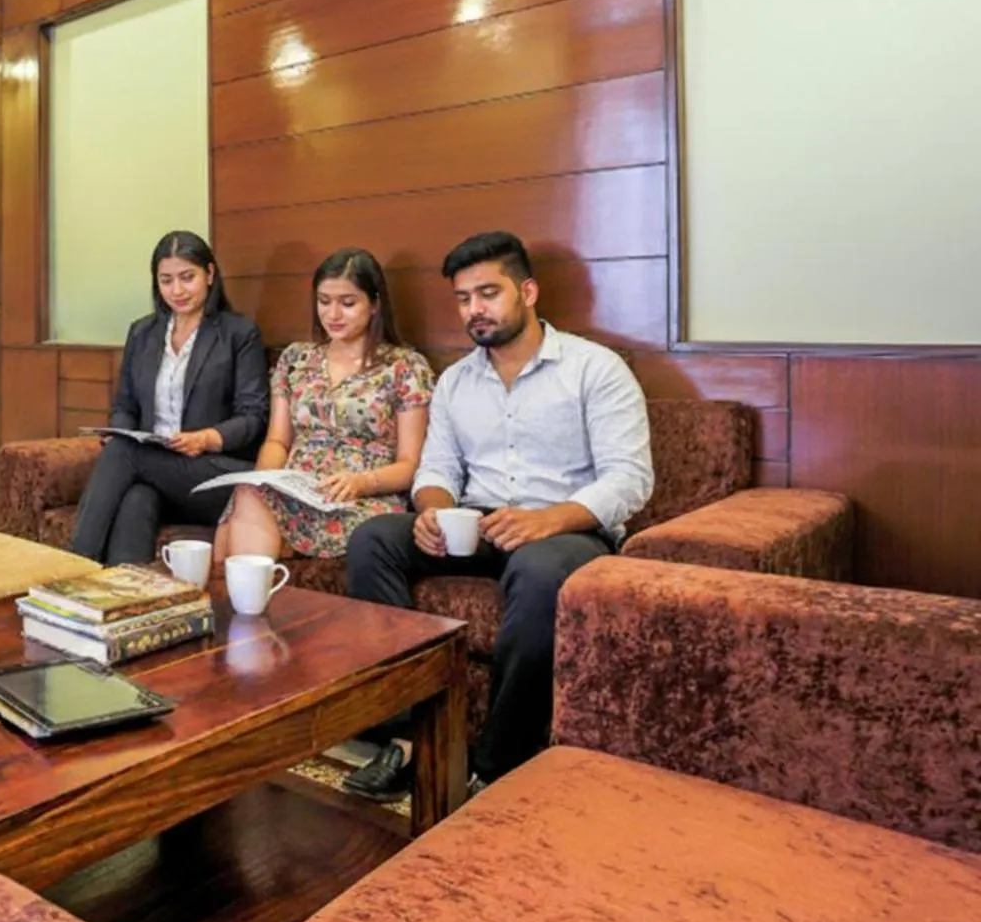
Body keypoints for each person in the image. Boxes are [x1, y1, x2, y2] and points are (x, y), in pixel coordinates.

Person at [342, 231, 652, 801]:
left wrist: (550, 519)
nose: (475, 310)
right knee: (372, 539)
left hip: (568, 530)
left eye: (488, 293)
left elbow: (630, 480)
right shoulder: (458, 381)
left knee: (538, 572)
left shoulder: (594, 370)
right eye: (463, 298)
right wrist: (432, 511)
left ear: (527, 291)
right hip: (478, 524)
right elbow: (435, 468)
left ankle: (497, 762)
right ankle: (407, 734)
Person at [213, 249, 433, 564]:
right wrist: (267, 479)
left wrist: (362, 482)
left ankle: (261, 598)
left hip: (360, 497)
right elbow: (278, 440)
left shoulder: (404, 367)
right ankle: (252, 605)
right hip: (297, 489)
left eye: (347, 303)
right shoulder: (296, 359)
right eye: (323, 301)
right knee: (249, 493)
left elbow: (410, 463)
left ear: (374, 305)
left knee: (242, 521)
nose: (333, 314)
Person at [70, 231, 268, 566]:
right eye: (166, 280)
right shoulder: (142, 332)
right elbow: (125, 406)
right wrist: (119, 430)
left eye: (187, 278)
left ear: (209, 273)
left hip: (212, 474)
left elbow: (254, 416)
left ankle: (73, 565)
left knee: (126, 453)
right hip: (155, 474)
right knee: (136, 498)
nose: (177, 291)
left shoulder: (238, 334)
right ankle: (127, 598)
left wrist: (206, 439)